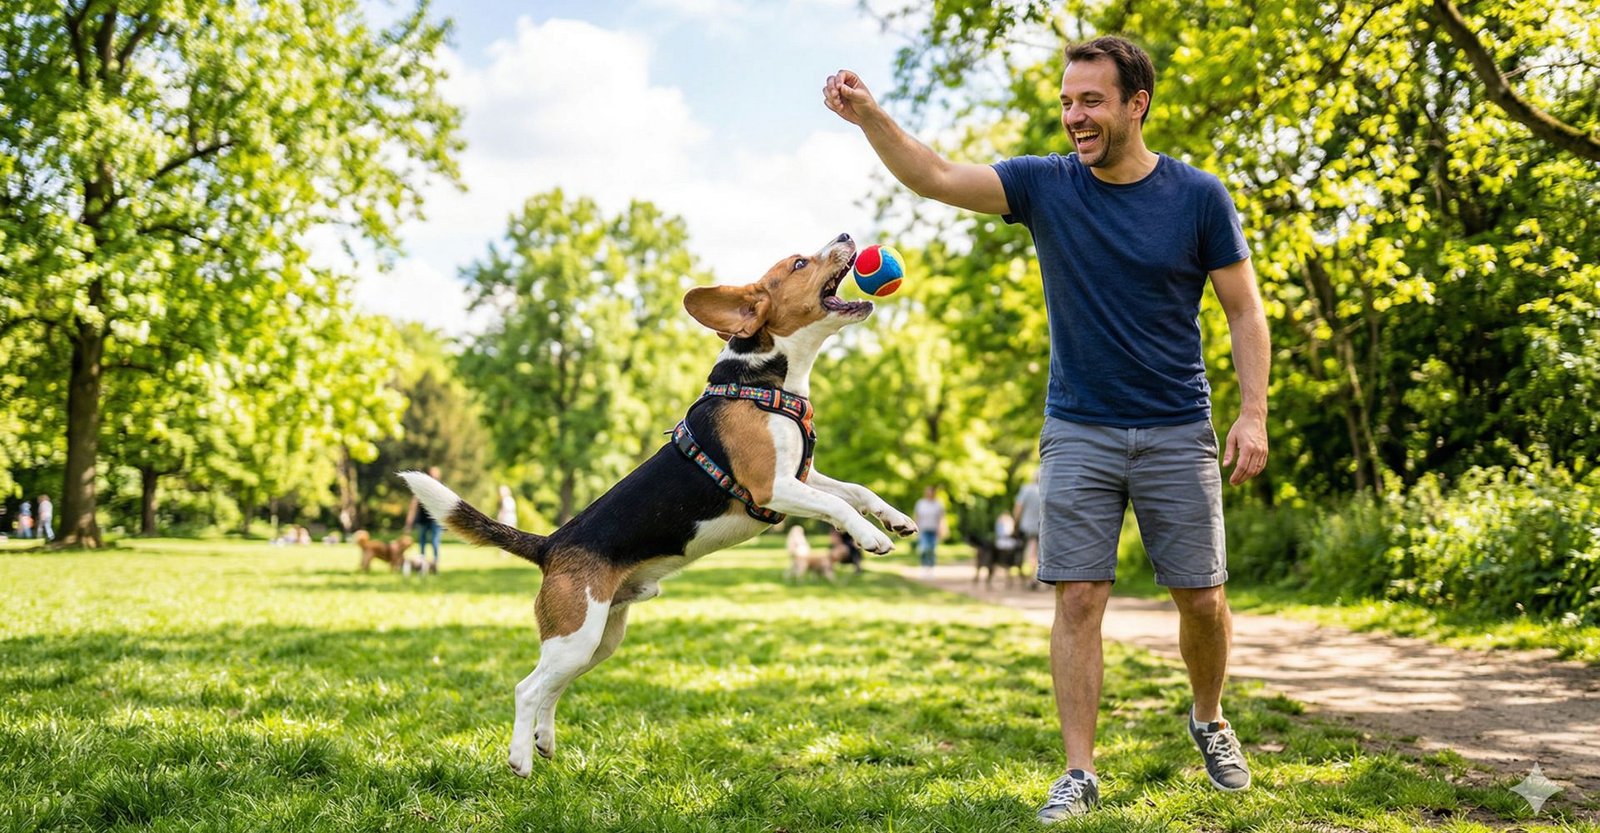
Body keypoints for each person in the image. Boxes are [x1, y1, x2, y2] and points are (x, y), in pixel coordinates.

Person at [825, 35, 1270, 821]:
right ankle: (1079, 771)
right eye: (1067, 102)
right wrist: (870, 117)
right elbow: (935, 176)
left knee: (1202, 598)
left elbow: (1244, 310)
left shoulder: (1199, 197)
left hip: (1177, 425)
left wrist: (1253, 411)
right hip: (1079, 427)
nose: (1074, 116)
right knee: (1079, 599)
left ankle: (1208, 717)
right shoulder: (1045, 185)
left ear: (1137, 104)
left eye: (1091, 100)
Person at [405, 465, 445, 573]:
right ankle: (421, 564)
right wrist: (409, 522)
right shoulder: (422, 487)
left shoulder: (442, 488)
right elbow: (413, 505)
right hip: (423, 520)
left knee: (435, 541)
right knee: (422, 542)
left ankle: (435, 564)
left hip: (435, 521)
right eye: (431, 474)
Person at [1014, 477, 1043, 589]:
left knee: (1031, 551)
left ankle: (1032, 577)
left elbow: (1018, 507)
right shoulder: (1045, 489)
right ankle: (1038, 577)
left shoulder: (1026, 489)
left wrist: (1015, 523)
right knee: (1039, 552)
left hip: (1028, 527)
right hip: (1043, 527)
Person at [912, 486, 946, 577]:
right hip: (923, 529)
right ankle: (924, 567)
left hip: (934, 530)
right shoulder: (920, 503)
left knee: (932, 550)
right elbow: (917, 516)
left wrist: (942, 529)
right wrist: (914, 528)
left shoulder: (938, 504)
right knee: (924, 549)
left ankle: (931, 568)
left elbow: (941, 518)